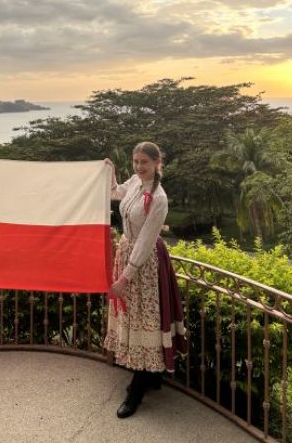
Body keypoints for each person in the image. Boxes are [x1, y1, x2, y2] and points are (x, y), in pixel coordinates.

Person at [104, 141, 185, 418]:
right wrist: (111, 174)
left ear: (156, 163)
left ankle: (136, 391)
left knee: (144, 319)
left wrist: (124, 278)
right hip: (127, 252)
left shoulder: (159, 198)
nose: (139, 167)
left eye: (144, 163)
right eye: (136, 161)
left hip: (145, 264)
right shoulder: (135, 182)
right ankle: (150, 378)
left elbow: (145, 243)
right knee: (133, 316)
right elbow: (115, 193)